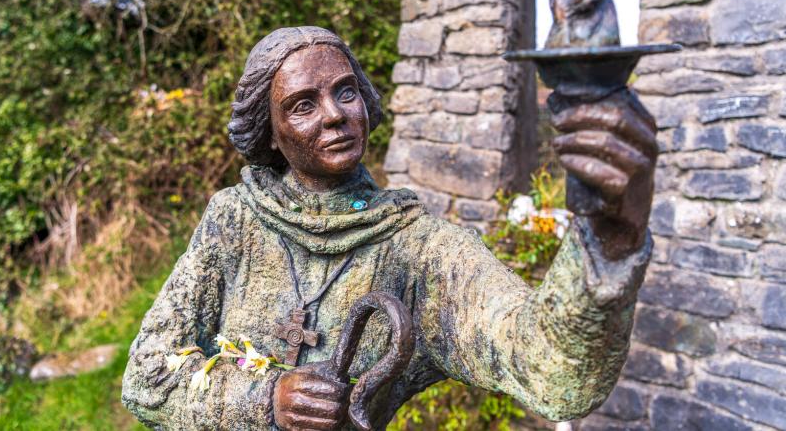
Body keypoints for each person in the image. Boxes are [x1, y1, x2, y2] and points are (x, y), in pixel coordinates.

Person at [122, 26, 656, 430]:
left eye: (346, 92)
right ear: (271, 133)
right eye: (303, 105)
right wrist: (266, 399)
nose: (334, 115)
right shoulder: (234, 220)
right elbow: (147, 375)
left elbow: (555, 373)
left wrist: (611, 239)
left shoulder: (419, 249)